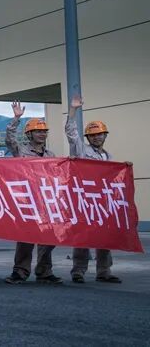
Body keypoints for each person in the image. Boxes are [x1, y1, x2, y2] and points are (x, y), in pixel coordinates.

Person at [3, 102, 62, 285]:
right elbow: (9, 139)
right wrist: (16, 118)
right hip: (27, 200)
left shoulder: (50, 154)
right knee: (26, 237)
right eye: (37, 131)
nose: (42, 134)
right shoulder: (20, 150)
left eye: (44, 131)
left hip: (46, 201)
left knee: (48, 237)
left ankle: (44, 272)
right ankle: (20, 272)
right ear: (29, 134)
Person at [65, 95, 122, 284]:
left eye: (100, 134)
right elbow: (71, 133)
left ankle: (104, 271)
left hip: (103, 201)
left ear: (105, 136)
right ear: (88, 138)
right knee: (83, 237)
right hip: (85, 200)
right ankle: (78, 271)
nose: (97, 137)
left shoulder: (108, 156)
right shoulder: (81, 150)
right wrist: (73, 110)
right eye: (93, 135)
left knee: (104, 236)